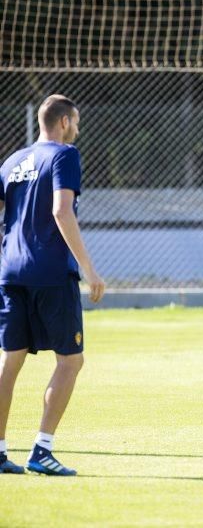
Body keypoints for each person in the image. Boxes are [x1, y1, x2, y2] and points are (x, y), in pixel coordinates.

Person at [0, 95, 105, 476]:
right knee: (71, 360)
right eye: (75, 122)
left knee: (9, 361)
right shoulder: (65, 154)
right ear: (63, 122)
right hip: (50, 273)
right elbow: (61, 210)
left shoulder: (12, 162)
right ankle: (41, 450)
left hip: (10, 272)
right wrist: (89, 269)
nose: (76, 129)